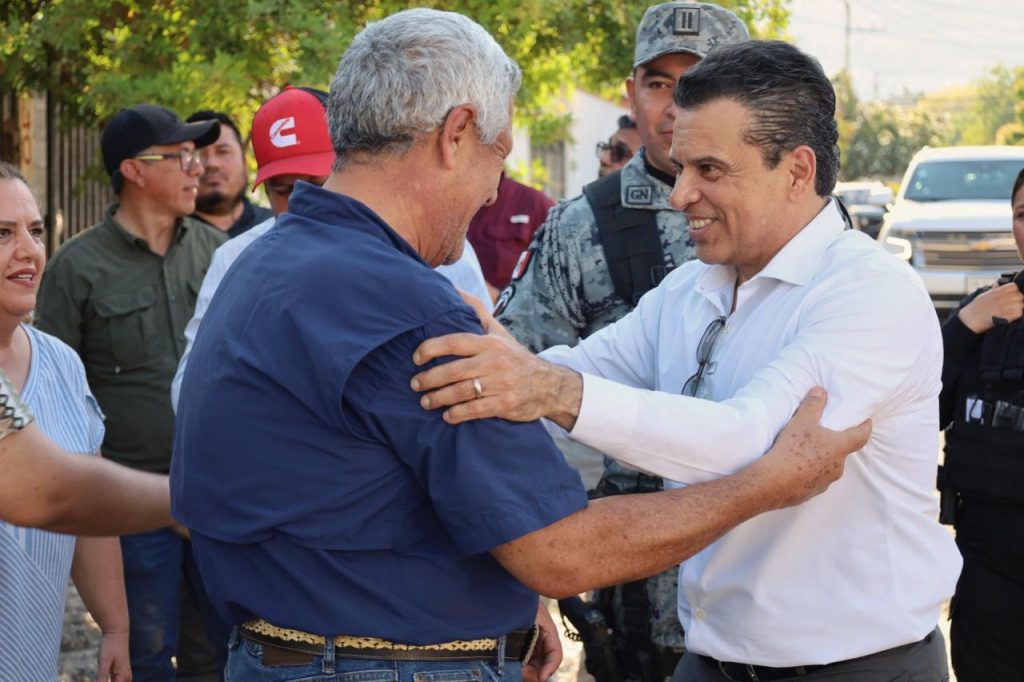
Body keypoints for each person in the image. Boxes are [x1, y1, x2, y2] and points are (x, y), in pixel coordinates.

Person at [171, 12, 868, 682]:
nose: (493, 191)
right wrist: (764, 486)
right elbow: (562, 551)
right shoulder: (402, 307)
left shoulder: (262, 264)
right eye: (497, 154)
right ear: (456, 134)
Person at [410, 40, 962, 681]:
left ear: (797, 170)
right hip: (712, 661)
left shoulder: (868, 293)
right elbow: (575, 373)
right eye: (681, 167)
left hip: (858, 668)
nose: (680, 196)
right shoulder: (692, 288)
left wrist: (546, 388)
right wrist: (488, 363)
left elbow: (752, 444)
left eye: (710, 170)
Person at [497, 4, 750, 676]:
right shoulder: (581, 227)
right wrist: (527, 581)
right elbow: (516, 404)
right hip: (634, 607)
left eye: (699, 82)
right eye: (658, 82)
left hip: (772, 604)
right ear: (630, 92)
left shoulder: (802, 223)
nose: (674, 105)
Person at [35, 103, 229, 682]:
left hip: (214, 497)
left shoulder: (219, 254)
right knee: (143, 661)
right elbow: (52, 391)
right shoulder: (76, 269)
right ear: (135, 170)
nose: (198, 168)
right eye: (182, 156)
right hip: (126, 508)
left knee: (220, 654)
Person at [170, 86, 491, 411]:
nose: (303, 202)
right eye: (284, 190)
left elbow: (492, 359)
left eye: (318, 184)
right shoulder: (234, 258)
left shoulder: (437, 246)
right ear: (265, 191)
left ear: (353, 170)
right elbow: (188, 392)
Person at [0, 161, 126, 680]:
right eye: (2, 234)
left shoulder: (62, 363)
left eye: (34, 230)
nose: (29, 251)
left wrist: (115, 626)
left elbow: (85, 507)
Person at [938, 167, 1024, 681]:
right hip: (988, 560)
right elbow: (917, 410)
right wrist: (963, 328)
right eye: (1023, 214)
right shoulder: (987, 314)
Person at [466, 172, 554, 297]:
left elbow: (561, 287)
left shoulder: (534, 204)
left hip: (505, 307)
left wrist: (500, 299)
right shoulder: (446, 197)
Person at [186, 110, 272, 237]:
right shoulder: (166, 236)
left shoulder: (276, 226)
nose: (212, 163)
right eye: (198, 154)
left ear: (244, 161)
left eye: (223, 152)